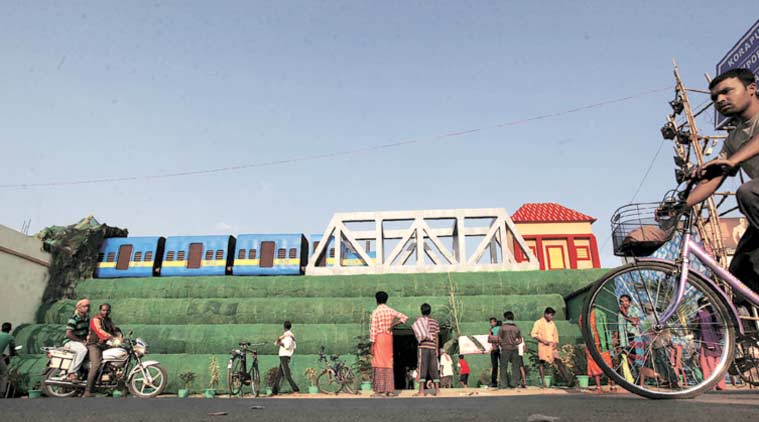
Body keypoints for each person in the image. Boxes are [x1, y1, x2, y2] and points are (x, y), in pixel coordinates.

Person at [686, 68, 759, 296]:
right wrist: (681, 206)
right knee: (740, 273)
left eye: (727, 91)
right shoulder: (734, 138)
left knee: (747, 191)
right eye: (715, 97)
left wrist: (734, 160)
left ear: (751, 89)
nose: (720, 100)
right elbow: (715, 176)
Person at [369, 291, 408, 397]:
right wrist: (393, 325)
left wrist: (372, 345)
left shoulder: (376, 312)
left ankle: (380, 390)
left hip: (379, 338)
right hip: (388, 337)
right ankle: (390, 390)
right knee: (388, 362)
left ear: (376, 300)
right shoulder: (390, 310)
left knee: (378, 362)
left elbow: (373, 329)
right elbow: (404, 317)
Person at [531, 307, 573, 387]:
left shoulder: (552, 323)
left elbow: (555, 334)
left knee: (558, 361)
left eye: (552, 315)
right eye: (550, 315)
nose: (551, 317)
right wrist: (542, 340)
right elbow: (534, 334)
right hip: (543, 345)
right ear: (545, 314)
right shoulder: (538, 322)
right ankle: (543, 382)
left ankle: (568, 379)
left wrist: (555, 343)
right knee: (542, 363)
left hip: (551, 345)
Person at [85, 303, 119, 397]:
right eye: (104, 310)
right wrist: (111, 337)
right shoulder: (95, 320)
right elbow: (99, 331)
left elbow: (114, 329)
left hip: (104, 345)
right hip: (94, 345)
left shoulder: (109, 320)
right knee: (96, 364)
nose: (106, 312)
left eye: (107, 310)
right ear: (100, 310)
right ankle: (88, 390)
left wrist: (120, 336)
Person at [695, 297, 727, 391]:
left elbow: (697, 326)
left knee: (707, 364)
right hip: (715, 341)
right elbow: (719, 328)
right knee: (717, 363)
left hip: (706, 341)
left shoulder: (701, 313)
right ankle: (721, 385)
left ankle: (710, 384)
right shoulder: (713, 313)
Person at [411, 303, 440, 396]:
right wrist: (436, 348)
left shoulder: (419, 321)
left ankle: (421, 391)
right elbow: (436, 336)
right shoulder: (435, 322)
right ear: (430, 311)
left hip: (423, 347)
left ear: (421, 311)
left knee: (422, 368)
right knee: (434, 368)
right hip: (432, 347)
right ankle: (438, 391)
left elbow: (418, 333)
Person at [64, 298, 90, 382]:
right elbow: (69, 334)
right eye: (85, 306)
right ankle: (72, 372)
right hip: (70, 342)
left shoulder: (86, 318)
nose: (87, 308)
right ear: (78, 307)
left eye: (88, 306)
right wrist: (81, 341)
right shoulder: (74, 319)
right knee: (83, 350)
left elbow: (87, 331)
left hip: (80, 341)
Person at [273, 320, 299, 395]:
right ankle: (274, 391)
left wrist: (279, 343)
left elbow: (286, 346)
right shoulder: (290, 336)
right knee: (279, 374)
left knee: (287, 374)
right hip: (285, 356)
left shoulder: (288, 336)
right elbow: (294, 346)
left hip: (284, 356)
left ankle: (296, 389)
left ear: (284, 327)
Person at [498, 311, 522, 389]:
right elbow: (520, 340)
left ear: (505, 318)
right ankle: (514, 383)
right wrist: (515, 343)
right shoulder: (516, 328)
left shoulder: (503, 327)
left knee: (503, 367)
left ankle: (503, 384)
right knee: (515, 367)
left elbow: (499, 338)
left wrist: (503, 344)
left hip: (505, 349)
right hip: (514, 349)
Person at [1, 322, 17, 397]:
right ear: (10, 329)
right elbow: (12, 351)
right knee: (4, 374)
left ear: (1, 328)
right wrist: (13, 354)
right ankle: (1, 393)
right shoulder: (10, 337)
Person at [486, 317, 500, 388]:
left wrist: (493, 338)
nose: (491, 324)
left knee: (503, 366)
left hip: (500, 349)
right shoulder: (490, 330)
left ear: (496, 322)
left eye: (493, 322)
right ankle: (494, 382)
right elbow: (489, 339)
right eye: (490, 322)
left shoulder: (500, 329)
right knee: (494, 366)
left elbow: (499, 338)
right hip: (494, 349)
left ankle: (503, 381)